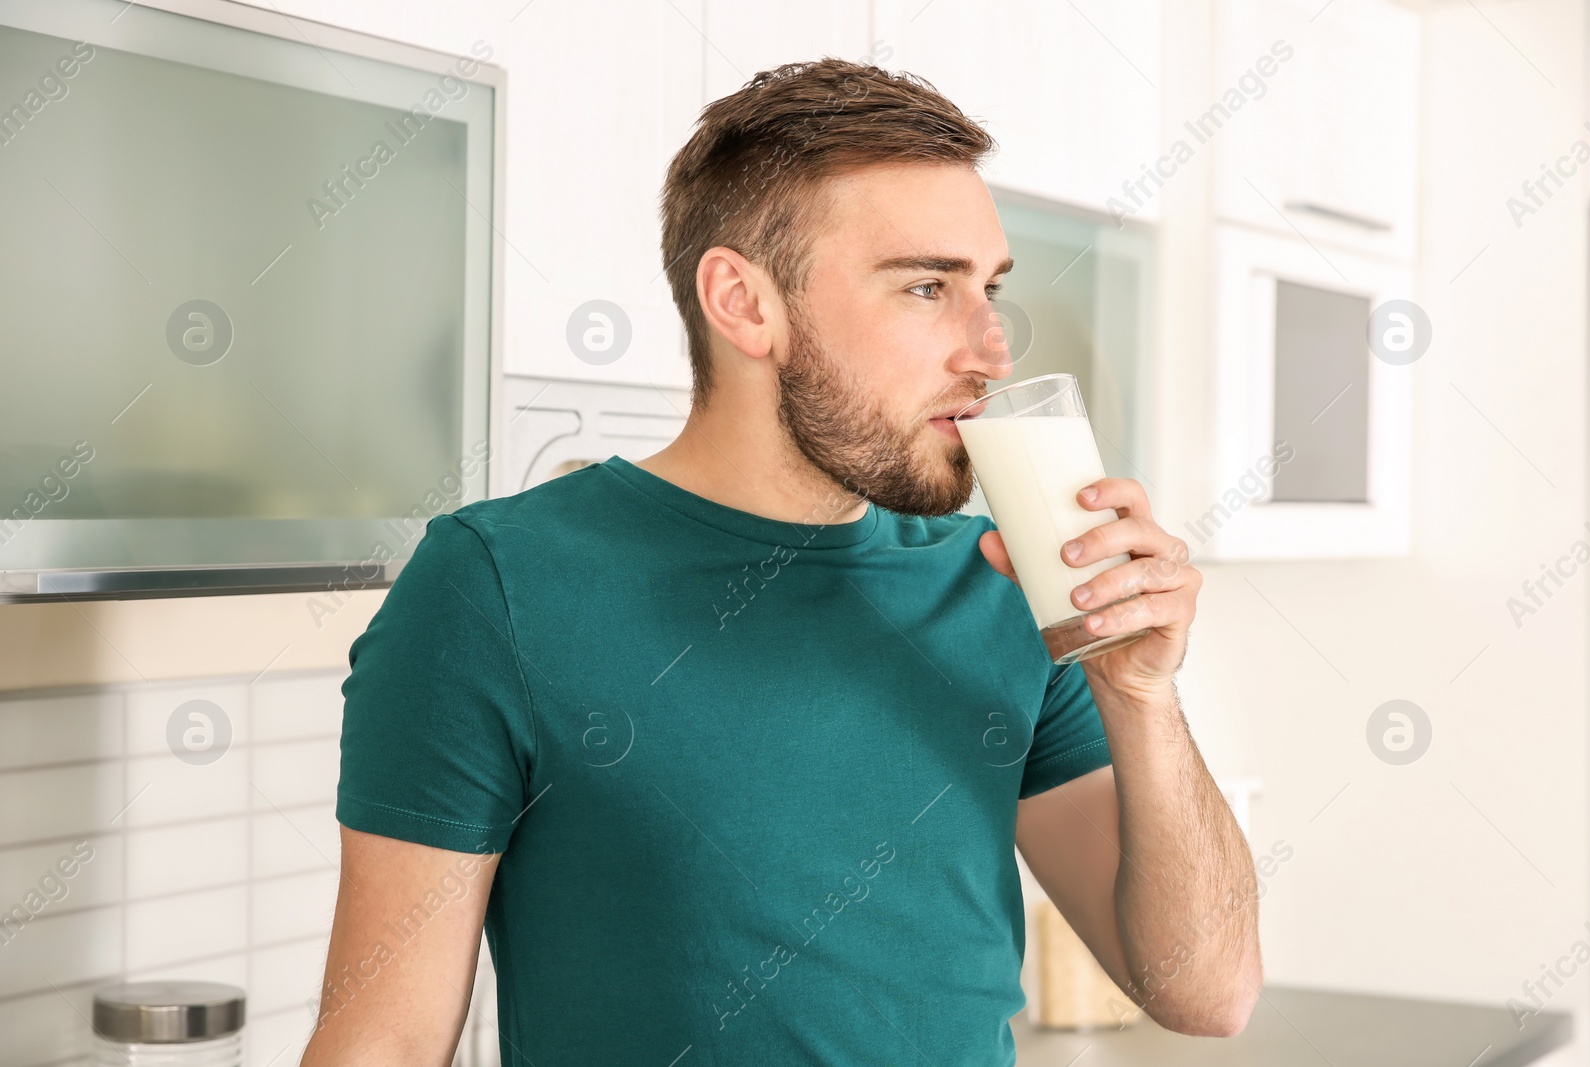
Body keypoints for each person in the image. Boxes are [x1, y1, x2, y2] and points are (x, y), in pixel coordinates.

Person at [302, 57, 1261, 1066]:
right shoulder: (496, 584)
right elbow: (387, 1038)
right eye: (927, 286)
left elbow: (1207, 991)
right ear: (744, 303)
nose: (989, 348)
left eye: (989, 288)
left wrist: (1140, 693)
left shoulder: (1004, 582)